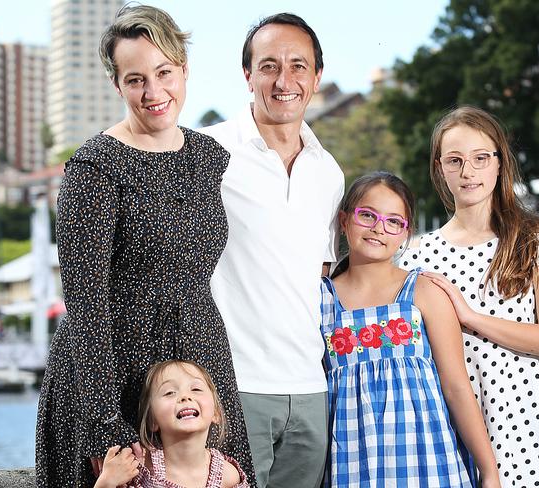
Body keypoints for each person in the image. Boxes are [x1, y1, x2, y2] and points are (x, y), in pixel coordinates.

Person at [35, 5, 254, 486]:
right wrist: (101, 426)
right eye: (136, 80)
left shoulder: (208, 158)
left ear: (184, 70)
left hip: (200, 364)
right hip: (112, 377)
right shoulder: (93, 169)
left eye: (164, 73)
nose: (154, 93)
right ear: (117, 85)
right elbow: (86, 304)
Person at [199, 13, 344, 488]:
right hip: (232, 386)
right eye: (269, 66)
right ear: (248, 76)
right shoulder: (206, 153)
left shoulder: (329, 172)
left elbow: (320, 274)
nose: (285, 80)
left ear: (316, 77)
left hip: (310, 388)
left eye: (298, 66)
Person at [400, 105, 539, 487]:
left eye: (480, 158)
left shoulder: (535, 238)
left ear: (498, 163)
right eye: (455, 160)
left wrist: (470, 316)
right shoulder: (416, 255)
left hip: (527, 431)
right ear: (439, 167)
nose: (468, 172)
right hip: (449, 433)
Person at [321, 171, 501, 488]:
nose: (379, 229)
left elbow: (457, 386)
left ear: (406, 234)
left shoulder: (424, 292)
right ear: (345, 220)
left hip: (427, 460)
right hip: (352, 462)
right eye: (367, 216)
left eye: (393, 221)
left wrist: (489, 472)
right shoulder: (322, 299)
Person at [95, 360, 250, 488]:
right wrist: (106, 482)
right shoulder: (136, 468)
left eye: (196, 389)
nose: (185, 397)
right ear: (152, 420)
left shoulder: (228, 475)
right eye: (169, 392)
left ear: (215, 412)